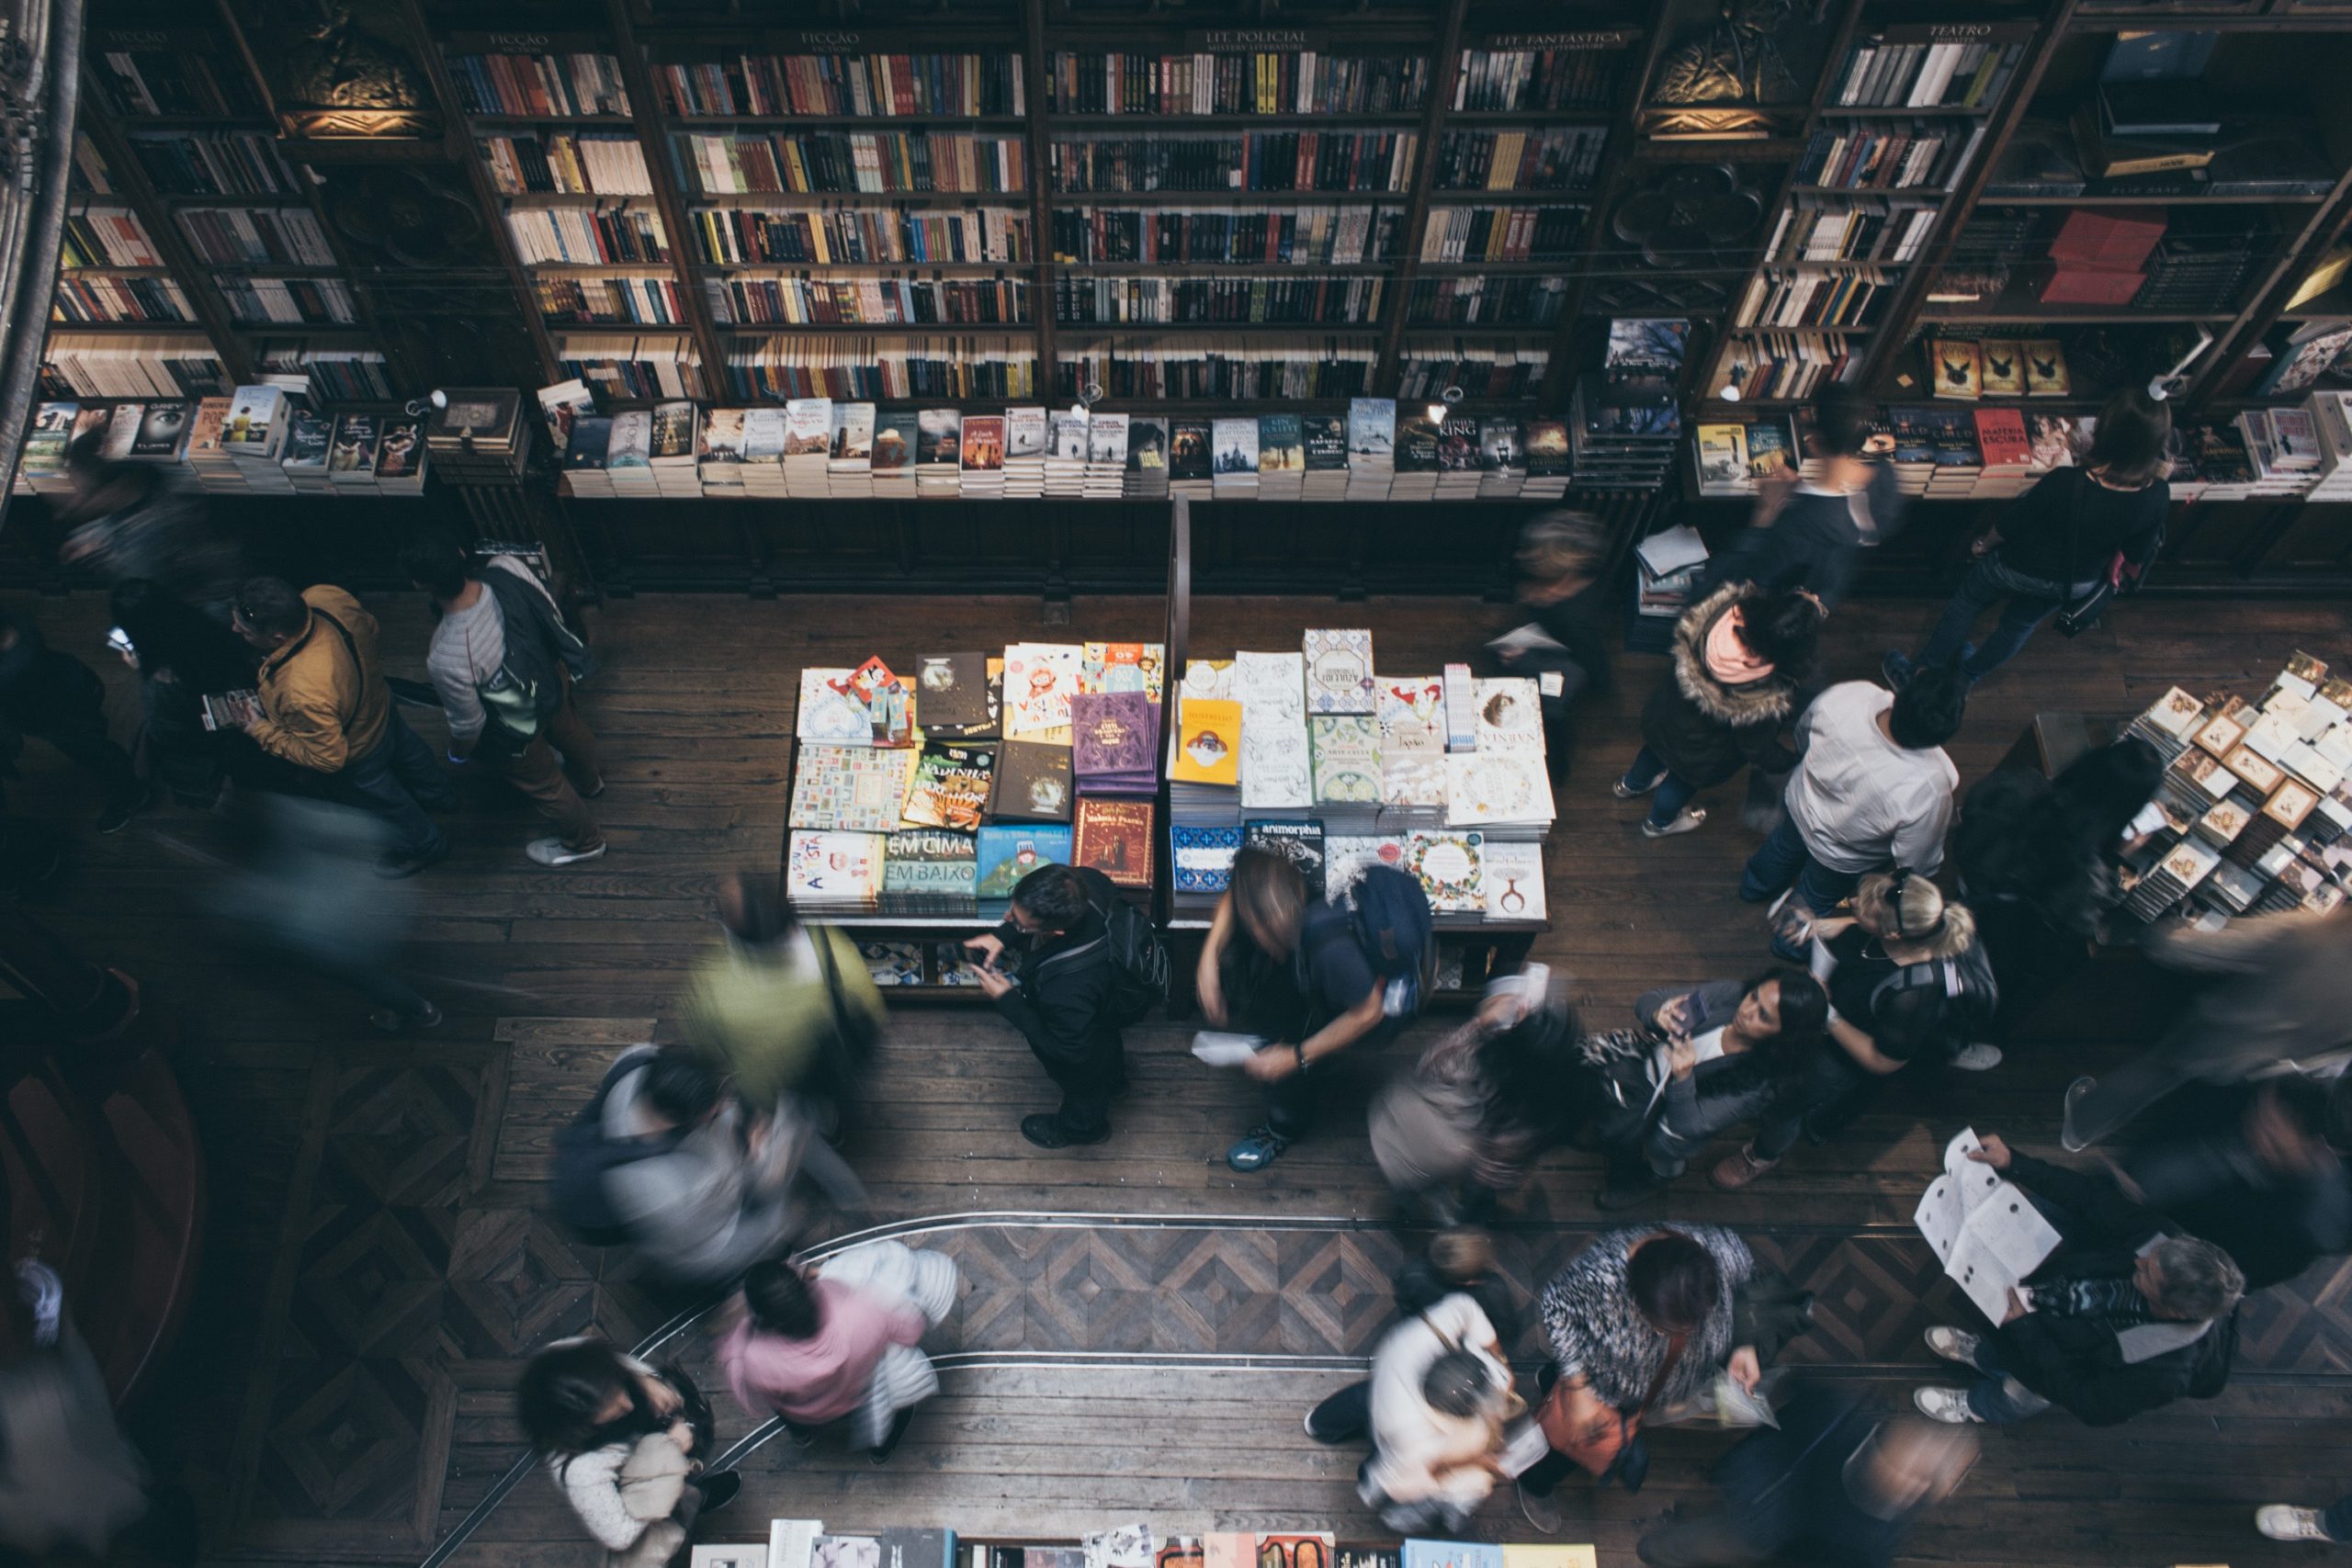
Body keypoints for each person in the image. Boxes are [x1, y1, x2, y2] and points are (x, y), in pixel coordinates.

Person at [1913, 1133, 2243, 1426]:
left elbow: (2087, 1401)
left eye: (2148, 1273)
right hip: (2045, 1310)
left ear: (2175, 1311)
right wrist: (2016, 1163)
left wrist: (2027, 1330)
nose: (2139, 1260)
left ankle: (1978, 1407)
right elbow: (2090, 1198)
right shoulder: (2164, 1241)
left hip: (2053, 1367)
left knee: (2018, 1393)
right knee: (2001, 1349)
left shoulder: (2164, 1373)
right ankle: (1983, 1356)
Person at [1712, 873, 1993, 1190]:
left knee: (1786, 1105)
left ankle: (1762, 1155)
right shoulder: (1892, 933)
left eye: (1866, 910)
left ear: (1894, 934)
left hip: (1839, 1055)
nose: (1855, 902)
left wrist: (1827, 1013)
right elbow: (1864, 932)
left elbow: (1883, 1061)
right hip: (1821, 1021)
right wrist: (1823, 927)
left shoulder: (1914, 997)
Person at [1884, 386, 2170, 689]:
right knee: (2018, 625)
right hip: (2075, 581)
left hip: (2018, 566)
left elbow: (2012, 523)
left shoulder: (2067, 482)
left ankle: (1921, 675)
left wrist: (1983, 544)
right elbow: (2137, 551)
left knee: (1967, 603)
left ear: (2106, 429)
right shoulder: (2157, 495)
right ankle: (1966, 678)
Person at [1514, 1228, 1768, 1524]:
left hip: (1644, 1395)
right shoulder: (1601, 1278)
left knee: (1559, 1382)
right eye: (1664, 1326)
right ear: (1633, 1292)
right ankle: (1534, 1482)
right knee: (1566, 1445)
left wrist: (1744, 1343)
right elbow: (1556, 1306)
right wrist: (1576, 1382)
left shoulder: (1723, 1250)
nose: (1681, 1332)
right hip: (1603, 1394)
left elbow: (1750, 1279)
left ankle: (1551, 1380)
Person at [2063, 904, 2352, 1152]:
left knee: (2154, 1071)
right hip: (2256, 1064)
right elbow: (2334, 1060)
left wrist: (2166, 931)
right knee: (2169, 1084)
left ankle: (2079, 1127)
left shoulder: (2311, 933)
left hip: (2221, 1029)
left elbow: (2199, 948)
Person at [399, 528, 608, 867]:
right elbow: (546, 606)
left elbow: (470, 723)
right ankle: (590, 781)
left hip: (515, 718)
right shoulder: (507, 567)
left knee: (547, 785)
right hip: (547, 675)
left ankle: (585, 842)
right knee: (570, 729)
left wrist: (456, 754)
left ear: (419, 584)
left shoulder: (447, 654)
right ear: (461, 553)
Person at [1950, 739, 2163, 1066]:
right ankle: (1959, 1039)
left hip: (1970, 892)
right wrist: (2116, 856)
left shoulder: (2018, 784)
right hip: (2009, 940)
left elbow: (1972, 817)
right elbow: (2079, 923)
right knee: (1995, 990)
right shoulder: (2084, 870)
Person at [231, 577, 458, 876]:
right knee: (412, 753)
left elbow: (328, 758)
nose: (235, 630)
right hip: (380, 705)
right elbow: (371, 630)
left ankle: (426, 846)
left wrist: (257, 728)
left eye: (243, 630)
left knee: (388, 804)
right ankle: (442, 797)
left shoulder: (300, 690)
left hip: (360, 750)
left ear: (278, 638)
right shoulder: (325, 596)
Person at [571, 1044, 850, 1287]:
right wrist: (765, 1171)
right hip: (704, 1243)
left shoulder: (635, 1063)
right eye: (714, 1112)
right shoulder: (669, 1189)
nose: (726, 1105)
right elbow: (722, 1239)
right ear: (678, 1120)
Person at [1196, 846, 1399, 1171]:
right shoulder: (1275, 885)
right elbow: (1234, 896)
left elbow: (1370, 1012)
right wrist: (1209, 958)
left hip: (1332, 1003)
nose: (1259, 936)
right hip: (1303, 980)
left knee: (1290, 1069)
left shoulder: (1332, 948)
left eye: (1265, 932)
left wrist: (1297, 1056)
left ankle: (1282, 1128)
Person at [1740, 666, 1965, 957]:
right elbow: (1916, 861)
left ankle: (1753, 888)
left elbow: (1803, 734)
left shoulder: (1852, 696)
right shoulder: (1930, 789)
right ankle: (1786, 946)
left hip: (1799, 807)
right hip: (1840, 859)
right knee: (1814, 897)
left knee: (1779, 850)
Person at [1634, 1380, 1978, 1568]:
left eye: (1917, 1480)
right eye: (1899, 1464)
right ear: (1882, 1439)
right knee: (1680, 1540)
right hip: (1749, 1483)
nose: (1902, 1482)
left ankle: (1659, 1551)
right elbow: (1788, 1398)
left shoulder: (1872, 1545)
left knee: (1684, 1546)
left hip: (1759, 1537)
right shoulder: (1835, 1414)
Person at [1595, 971, 1830, 1210]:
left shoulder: (1761, 1083)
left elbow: (1688, 1125)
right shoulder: (1731, 996)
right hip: (1647, 1081)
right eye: (1754, 996)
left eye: (1763, 1016)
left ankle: (1660, 1176)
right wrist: (1658, 1014)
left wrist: (1683, 1078)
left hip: (1671, 1128)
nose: (1746, 1010)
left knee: (1661, 1149)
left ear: (1783, 1036)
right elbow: (1652, 998)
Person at [715, 1239, 960, 1462]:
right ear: (800, 1284)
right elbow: (911, 1331)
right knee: (899, 1408)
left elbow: (751, 1399)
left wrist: (741, 1330)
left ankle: (802, 1437)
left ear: (762, 1317)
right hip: (854, 1396)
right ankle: (880, 1451)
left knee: (782, 1408)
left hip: (802, 1411)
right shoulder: (860, 1310)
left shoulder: (754, 1358)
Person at [1369, 969, 1582, 1223]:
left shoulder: (1470, 1061)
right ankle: (1472, 1217)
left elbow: (1431, 1065)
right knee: (1478, 1198)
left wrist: (1482, 1023)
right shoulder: (1560, 1099)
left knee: (1418, 1182)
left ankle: (1409, 1205)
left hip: (1443, 1149)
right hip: (1498, 1169)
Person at [1302, 1288, 1516, 1535]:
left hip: (1387, 1375)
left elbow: (1465, 1306)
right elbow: (1405, 1477)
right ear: (1454, 1414)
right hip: (1392, 1426)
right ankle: (1359, 1464)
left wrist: (1499, 1359)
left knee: (1357, 1401)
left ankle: (1317, 1424)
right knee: (1380, 1454)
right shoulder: (1416, 1437)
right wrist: (1480, 1460)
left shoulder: (1430, 1336)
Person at [1614, 583, 1817, 840]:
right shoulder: (1763, 694)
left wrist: (1797, 600)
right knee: (1677, 785)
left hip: (1664, 715)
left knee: (1652, 753)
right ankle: (1657, 824)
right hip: (1700, 753)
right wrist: (1788, 761)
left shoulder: (1721, 614)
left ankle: (1628, 786)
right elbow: (1755, 747)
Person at [515, 1337, 739, 1568]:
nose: (627, 1402)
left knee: (681, 1492)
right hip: (636, 1490)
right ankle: (689, 1504)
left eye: (617, 1388)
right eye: (609, 1404)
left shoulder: (568, 1358)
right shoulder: (581, 1472)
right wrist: (668, 1451)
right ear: (579, 1423)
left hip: (645, 1459)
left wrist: (643, 1379)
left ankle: (692, 1497)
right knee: (673, 1520)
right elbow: (620, 1535)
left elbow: (615, 1362)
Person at [682, 871, 884, 1122]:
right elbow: (872, 1007)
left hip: (770, 1089)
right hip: (835, 1061)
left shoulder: (716, 988)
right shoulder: (835, 952)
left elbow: (704, 1047)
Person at [2124, 1081, 2352, 1293]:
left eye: (2272, 1142)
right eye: (2257, 1116)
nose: (2254, 1136)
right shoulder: (2242, 1092)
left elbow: (2213, 1284)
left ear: (2321, 1153)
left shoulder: (2302, 1234)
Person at [966, 862, 1129, 1149]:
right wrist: (1003, 935)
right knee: (1105, 1042)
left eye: (1016, 922)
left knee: (1083, 1082)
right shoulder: (1088, 881)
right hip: (1110, 996)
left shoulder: (1066, 990)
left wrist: (1008, 1000)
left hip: (1082, 1023)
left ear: (1055, 933)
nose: (1006, 917)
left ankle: (1082, 1129)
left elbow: (1068, 1052)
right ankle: (1116, 1083)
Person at [1701, 383, 1905, 613]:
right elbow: (1854, 512)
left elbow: (1737, 583)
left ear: (1812, 442)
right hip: (1826, 596)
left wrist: (1764, 515)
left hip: (1774, 613)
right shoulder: (1884, 474)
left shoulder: (1797, 523)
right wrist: (1803, 487)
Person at [107, 577, 262, 807]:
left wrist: (143, 668)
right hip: (247, 705)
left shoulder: (163, 683)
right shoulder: (216, 616)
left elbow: (170, 734)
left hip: (211, 732)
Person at [55, 437, 243, 618]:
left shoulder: (141, 548)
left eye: (76, 494)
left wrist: (96, 549)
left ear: (103, 493)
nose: (68, 507)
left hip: (210, 604)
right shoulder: (149, 481)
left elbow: (149, 596)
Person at [0, 605, 147, 832]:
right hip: (73, 687)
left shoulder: (14, 667)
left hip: (59, 713)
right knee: (92, 738)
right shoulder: (17, 627)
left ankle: (130, 795)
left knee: (96, 751)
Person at [1498, 512, 1612, 780]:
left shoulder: (1575, 616)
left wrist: (1524, 657)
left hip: (1564, 671)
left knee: (1551, 718)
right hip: (1550, 646)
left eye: (1535, 556)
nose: (1523, 557)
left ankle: (1555, 771)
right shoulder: (1554, 587)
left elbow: (1589, 663)